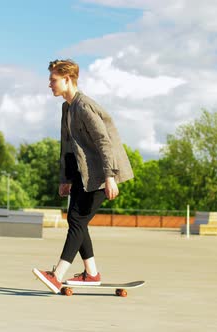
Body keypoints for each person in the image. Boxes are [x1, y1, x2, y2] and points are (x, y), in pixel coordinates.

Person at [32, 59, 134, 294]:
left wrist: (110, 176)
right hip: (82, 171)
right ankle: (91, 273)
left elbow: (103, 142)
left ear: (67, 80)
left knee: (77, 221)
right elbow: (66, 145)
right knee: (76, 221)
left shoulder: (84, 106)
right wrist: (65, 178)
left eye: (53, 80)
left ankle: (57, 275)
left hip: (101, 172)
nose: (49, 84)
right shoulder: (67, 107)